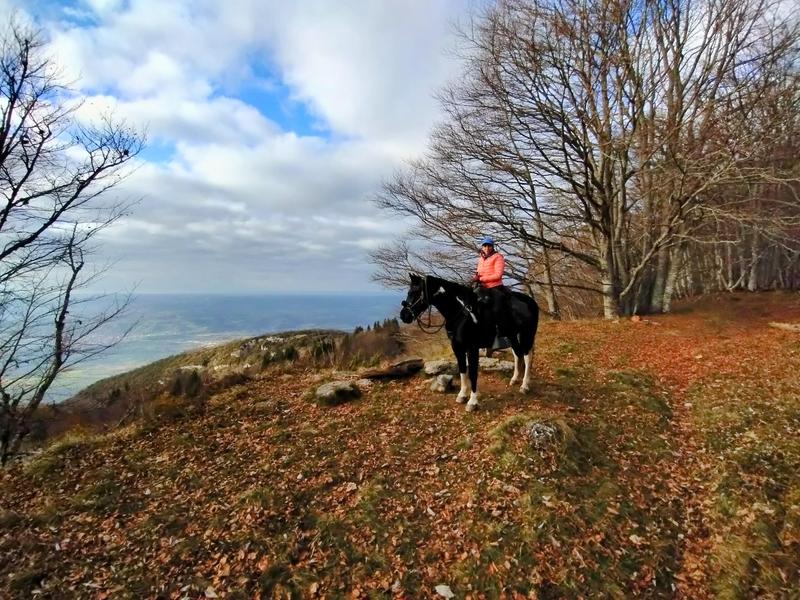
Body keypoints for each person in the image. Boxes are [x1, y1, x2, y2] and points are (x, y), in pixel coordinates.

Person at [473, 237, 513, 337]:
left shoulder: (498, 257)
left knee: (496, 308)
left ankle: (502, 330)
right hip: (482, 287)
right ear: (482, 247)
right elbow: (479, 273)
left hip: (495, 287)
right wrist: (476, 277)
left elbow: (498, 275)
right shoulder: (481, 259)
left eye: (489, 245)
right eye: (485, 245)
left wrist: (481, 279)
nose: (487, 247)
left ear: (492, 246)